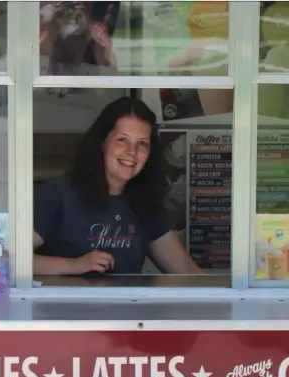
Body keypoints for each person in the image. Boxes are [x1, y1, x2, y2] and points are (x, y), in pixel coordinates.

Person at [33, 97, 202, 275]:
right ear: (102, 143)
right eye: (122, 140)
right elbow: (10, 260)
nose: (132, 152)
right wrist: (73, 265)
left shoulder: (145, 204)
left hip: (126, 303)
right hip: (65, 303)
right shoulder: (57, 194)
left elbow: (189, 274)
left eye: (142, 143)